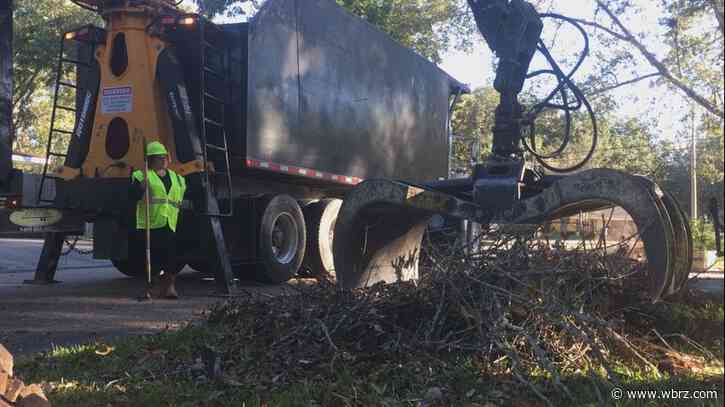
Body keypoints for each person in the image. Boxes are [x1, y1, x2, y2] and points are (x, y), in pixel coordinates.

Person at [129, 141, 187, 299]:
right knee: (152, 259)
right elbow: (131, 197)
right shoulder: (140, 176)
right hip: (150, 223)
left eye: (164, 157)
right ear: (150, 160)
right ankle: (152, 287)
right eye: (158, 158)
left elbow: (179, 200)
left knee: (171, 257)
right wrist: (140, 188)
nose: (163, 160)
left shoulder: (178, 179)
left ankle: (170, 288)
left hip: (170, 222)